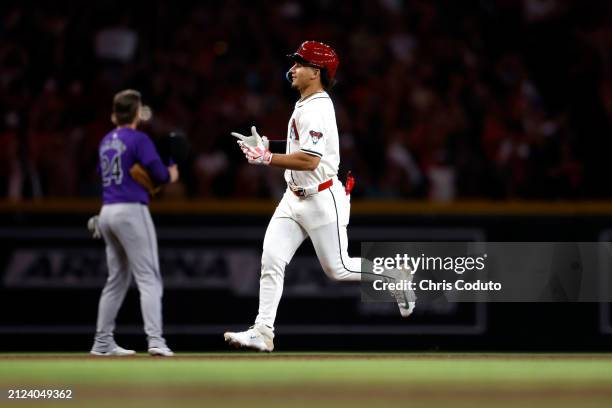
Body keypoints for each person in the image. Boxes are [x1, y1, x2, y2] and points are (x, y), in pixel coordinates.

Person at [224, 41, 414, 352]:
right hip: (293, 196)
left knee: (338, 269)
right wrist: (267, 145)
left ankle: (394, 275)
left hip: (321, 198)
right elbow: (301, 148)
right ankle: (262, 330)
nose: (293, 68)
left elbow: (310, 160)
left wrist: (267, 157)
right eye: (295, 62)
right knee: (272, 259)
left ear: (317, 71)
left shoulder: (317, 108)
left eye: (300, 63)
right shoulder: (306, 102)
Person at [90, 89, 178, 357]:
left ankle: (102, 342)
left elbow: (101, 174)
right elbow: (161, 176)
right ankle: (155, 341)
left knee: (115, 280)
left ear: (114, 114)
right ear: (137, 113)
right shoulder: (139, 139)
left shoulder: (106, 141)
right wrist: (171, 170)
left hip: (107, 210)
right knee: (149, 277)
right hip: (131, 211)